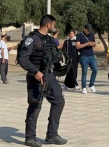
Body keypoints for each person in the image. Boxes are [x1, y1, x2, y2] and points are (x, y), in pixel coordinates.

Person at [18, 14, 67, 146]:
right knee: (35, 105)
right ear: (48, 24)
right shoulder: (32, 39)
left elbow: (54, 56)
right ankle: (30, 137)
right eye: (54, 24)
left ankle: (52, 135)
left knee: (59, 101)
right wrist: (35, 72)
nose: (54, 27)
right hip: (36, 77)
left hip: (49, 76)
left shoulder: (49, 40)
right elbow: (23, 58)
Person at [76, 24, 98, 94]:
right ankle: (84, 87)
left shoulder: (91, 35)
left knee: (95, 70)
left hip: (91, 55)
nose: (88, 32)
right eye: (87, 30)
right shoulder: (79, 35)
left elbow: (94, 43)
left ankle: (91, 85)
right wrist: (86, 44)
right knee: (84, 72)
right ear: (84, 29)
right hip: (84, 56)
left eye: (89, 31)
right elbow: (77, 46)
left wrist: (92, 44)